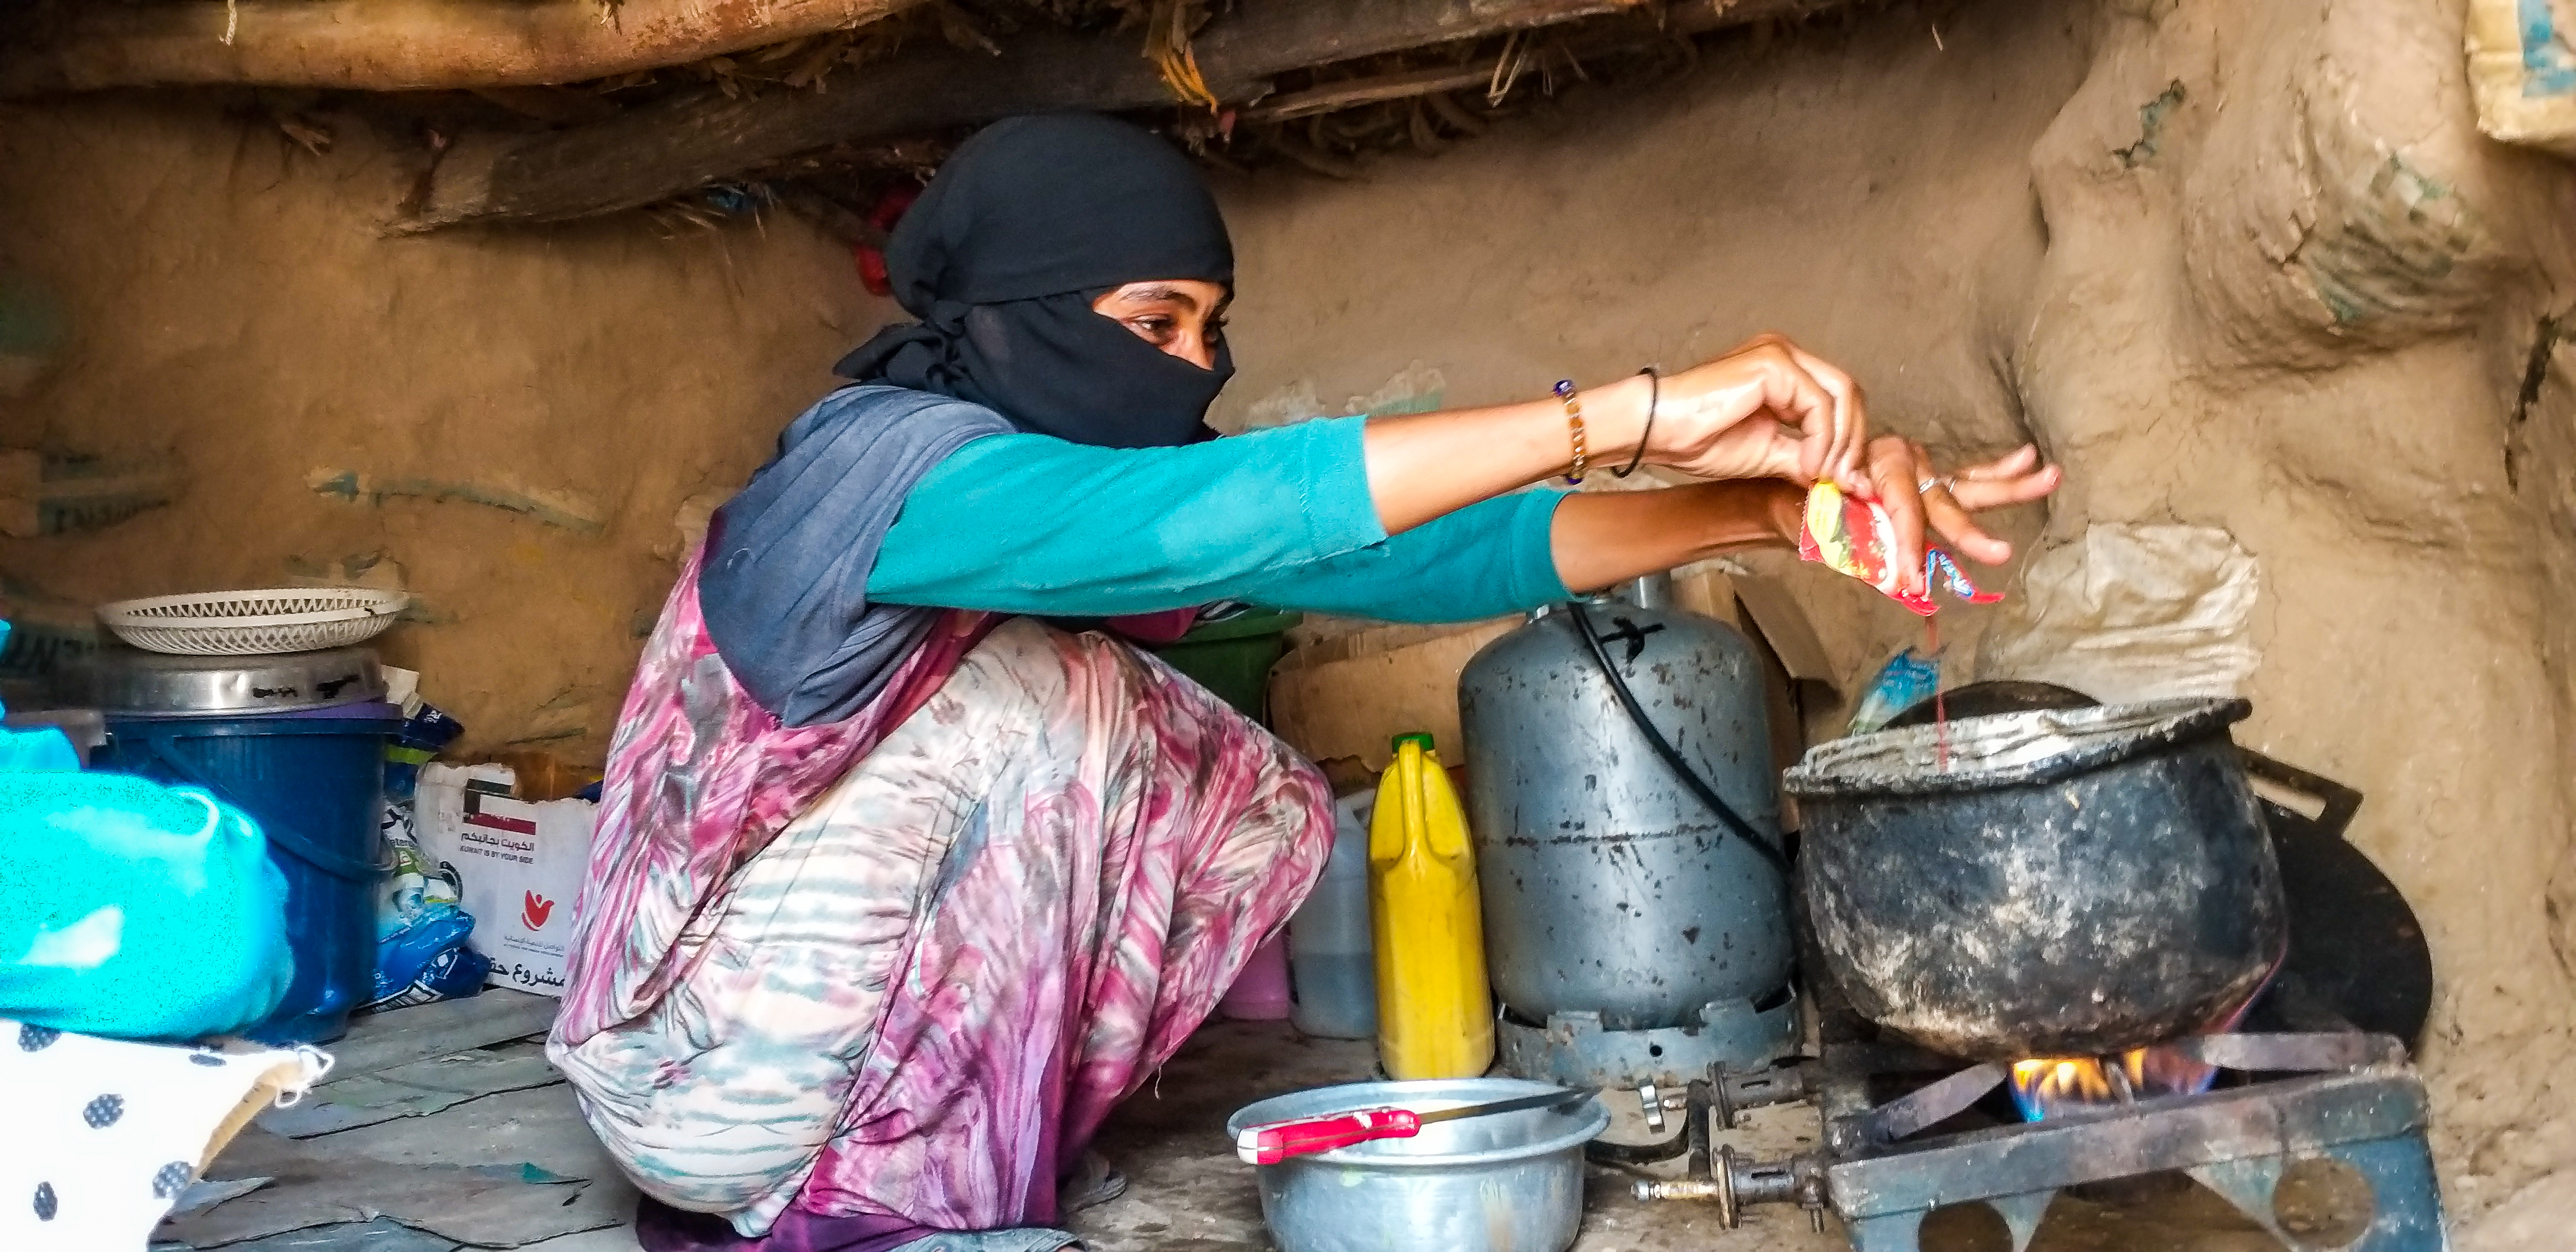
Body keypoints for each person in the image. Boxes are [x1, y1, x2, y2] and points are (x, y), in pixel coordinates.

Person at [548, 113, 2060, 1252]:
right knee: (1064, 705)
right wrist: (1637, 409)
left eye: (1211, 331)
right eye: (1155, 325)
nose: (1192, 369)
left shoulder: (1062, 486)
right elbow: (1215, 517)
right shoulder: (881, 474)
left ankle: (952, 1152)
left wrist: (1763, 512)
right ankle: (851, 1197)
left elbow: (1413, 557)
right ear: (1009, 308)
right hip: (698, 1076)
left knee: (1233, 780)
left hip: (785, 1066)